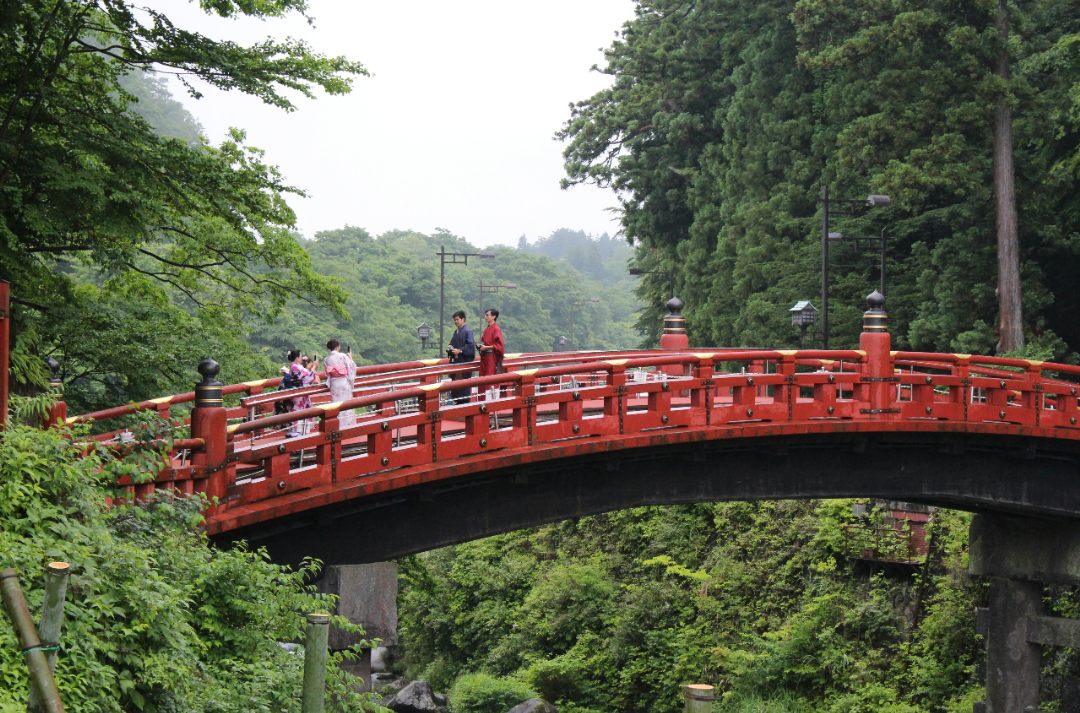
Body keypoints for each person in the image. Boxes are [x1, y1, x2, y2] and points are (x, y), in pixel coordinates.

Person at [323, 339, 358, 428]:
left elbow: (327, 374)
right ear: (337, 346)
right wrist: (350, 358)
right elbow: (352, 366)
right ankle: (347, 425)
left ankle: (338, 424)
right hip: (343, 382)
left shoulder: (326, 359)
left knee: (336, 404)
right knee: (346, 403)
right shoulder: (342, 356)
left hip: (334, 384)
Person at [285, 350, 319, 436]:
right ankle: (297, 431)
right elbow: (307, 377)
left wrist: (312, 368)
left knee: (301, 410)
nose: (301, 358)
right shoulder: (295, 367)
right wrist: (314, 367)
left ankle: (300, 431)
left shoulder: (295, 366)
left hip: (300, 392)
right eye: (300, 357)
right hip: (298, 393)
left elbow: (307, 375)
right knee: (298, 411)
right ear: (297, 358)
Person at [447, 310, 475, 404]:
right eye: (454, 320)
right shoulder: (456, 332)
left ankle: (464, 406)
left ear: (463, 319)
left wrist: (460, 350)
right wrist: (450, 348)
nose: (455, 322)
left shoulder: (468, 331)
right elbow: (451, 343)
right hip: (456, 363)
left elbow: (470, 346)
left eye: (457, 319)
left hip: (463, 363)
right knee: (456, 389)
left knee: (463, 389)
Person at [477, 308, 505, 401]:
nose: (485, 317)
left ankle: (490, 401)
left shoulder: (496, 329)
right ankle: (481, 402)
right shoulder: (486, 329)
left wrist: (487, 347)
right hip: (484, 357)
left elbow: (499, 346)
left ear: (494, 316)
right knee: (482, 380)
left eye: (487, 315)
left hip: (491, 358)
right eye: (485, 315)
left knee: (490, 379)